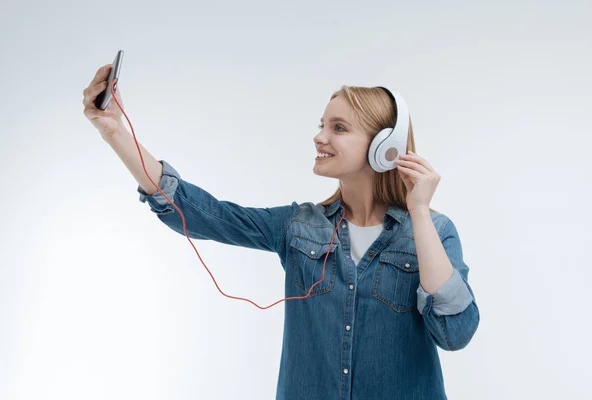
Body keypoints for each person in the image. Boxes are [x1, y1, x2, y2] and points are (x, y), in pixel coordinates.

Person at [82, 64, 480, 399]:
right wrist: (113, 129)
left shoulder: (433, 231)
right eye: (322, 124)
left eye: (339, 128)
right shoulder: (298, 227)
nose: (319, 136)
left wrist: (420, 211)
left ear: (384, 147)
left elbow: (455, 332)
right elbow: (197, 211)